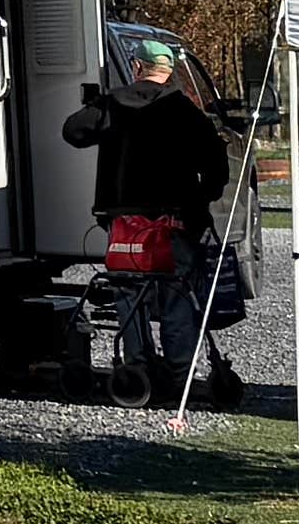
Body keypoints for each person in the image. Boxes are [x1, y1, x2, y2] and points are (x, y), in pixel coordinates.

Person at [81, 33, 242, 401]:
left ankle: (138, 364)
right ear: (168, 72)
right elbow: (217, 168)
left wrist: (98, 107)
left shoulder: (113, 106)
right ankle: (181, 373)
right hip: (174, 222)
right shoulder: (186, 112)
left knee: (128, 292)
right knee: (177, 295)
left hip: (124, 223)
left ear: (137, 67)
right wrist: (202, 199)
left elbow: (73, 131)